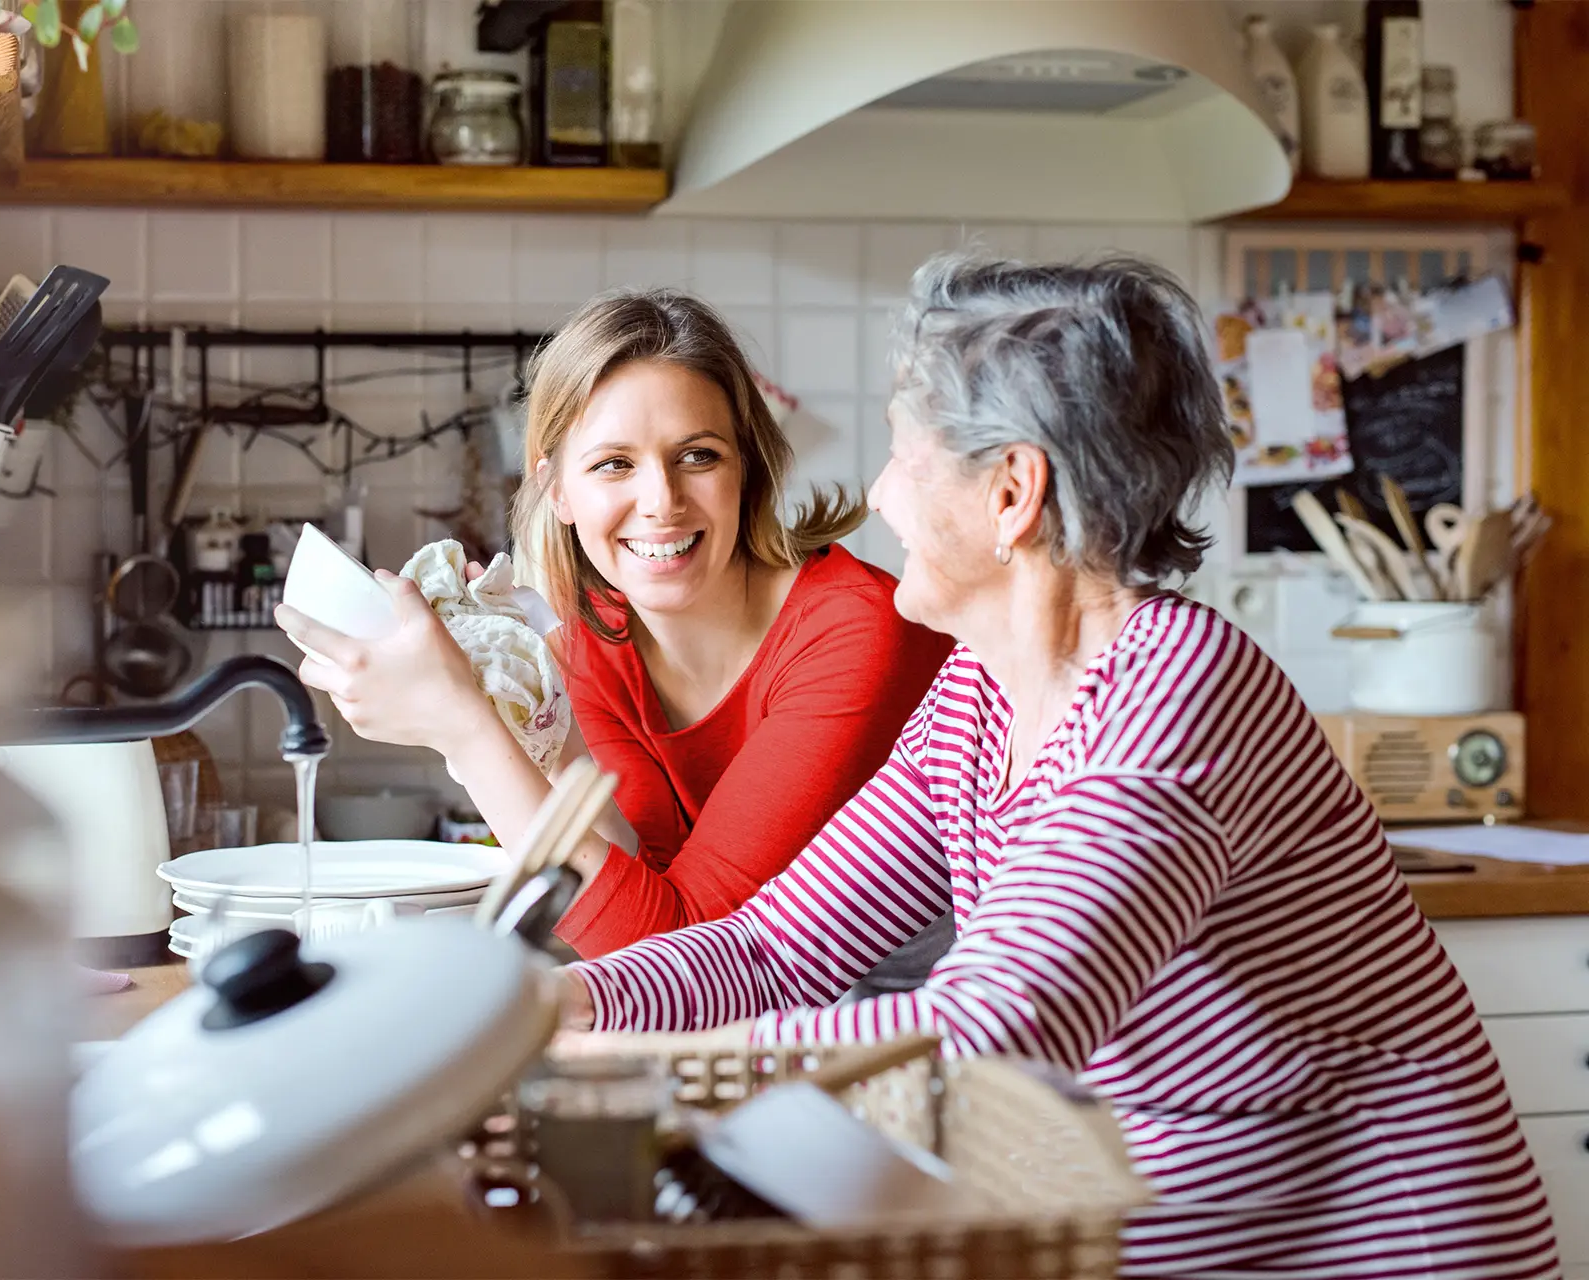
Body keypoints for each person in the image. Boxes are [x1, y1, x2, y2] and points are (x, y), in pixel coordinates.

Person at [559, 256, 1558, 1278]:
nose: (877, 492)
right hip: (1167, 1212)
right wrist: (567, 1009)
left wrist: (645, 1072)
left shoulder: (1176, 691)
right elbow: (777, 948)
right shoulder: (979, 692)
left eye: (904, 454)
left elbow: (995, 1026)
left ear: (1010, 493)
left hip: (1373, 1240)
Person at [276, 290, 952, 958]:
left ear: (747, 469)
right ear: (557, 489)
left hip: (918, 1033)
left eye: (699, 455)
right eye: (614, 464)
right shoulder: (593, 635)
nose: (661, 501)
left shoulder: (857, 632)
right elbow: (633, 892)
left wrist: (462, 728)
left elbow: (681, 955)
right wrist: (519, 709)